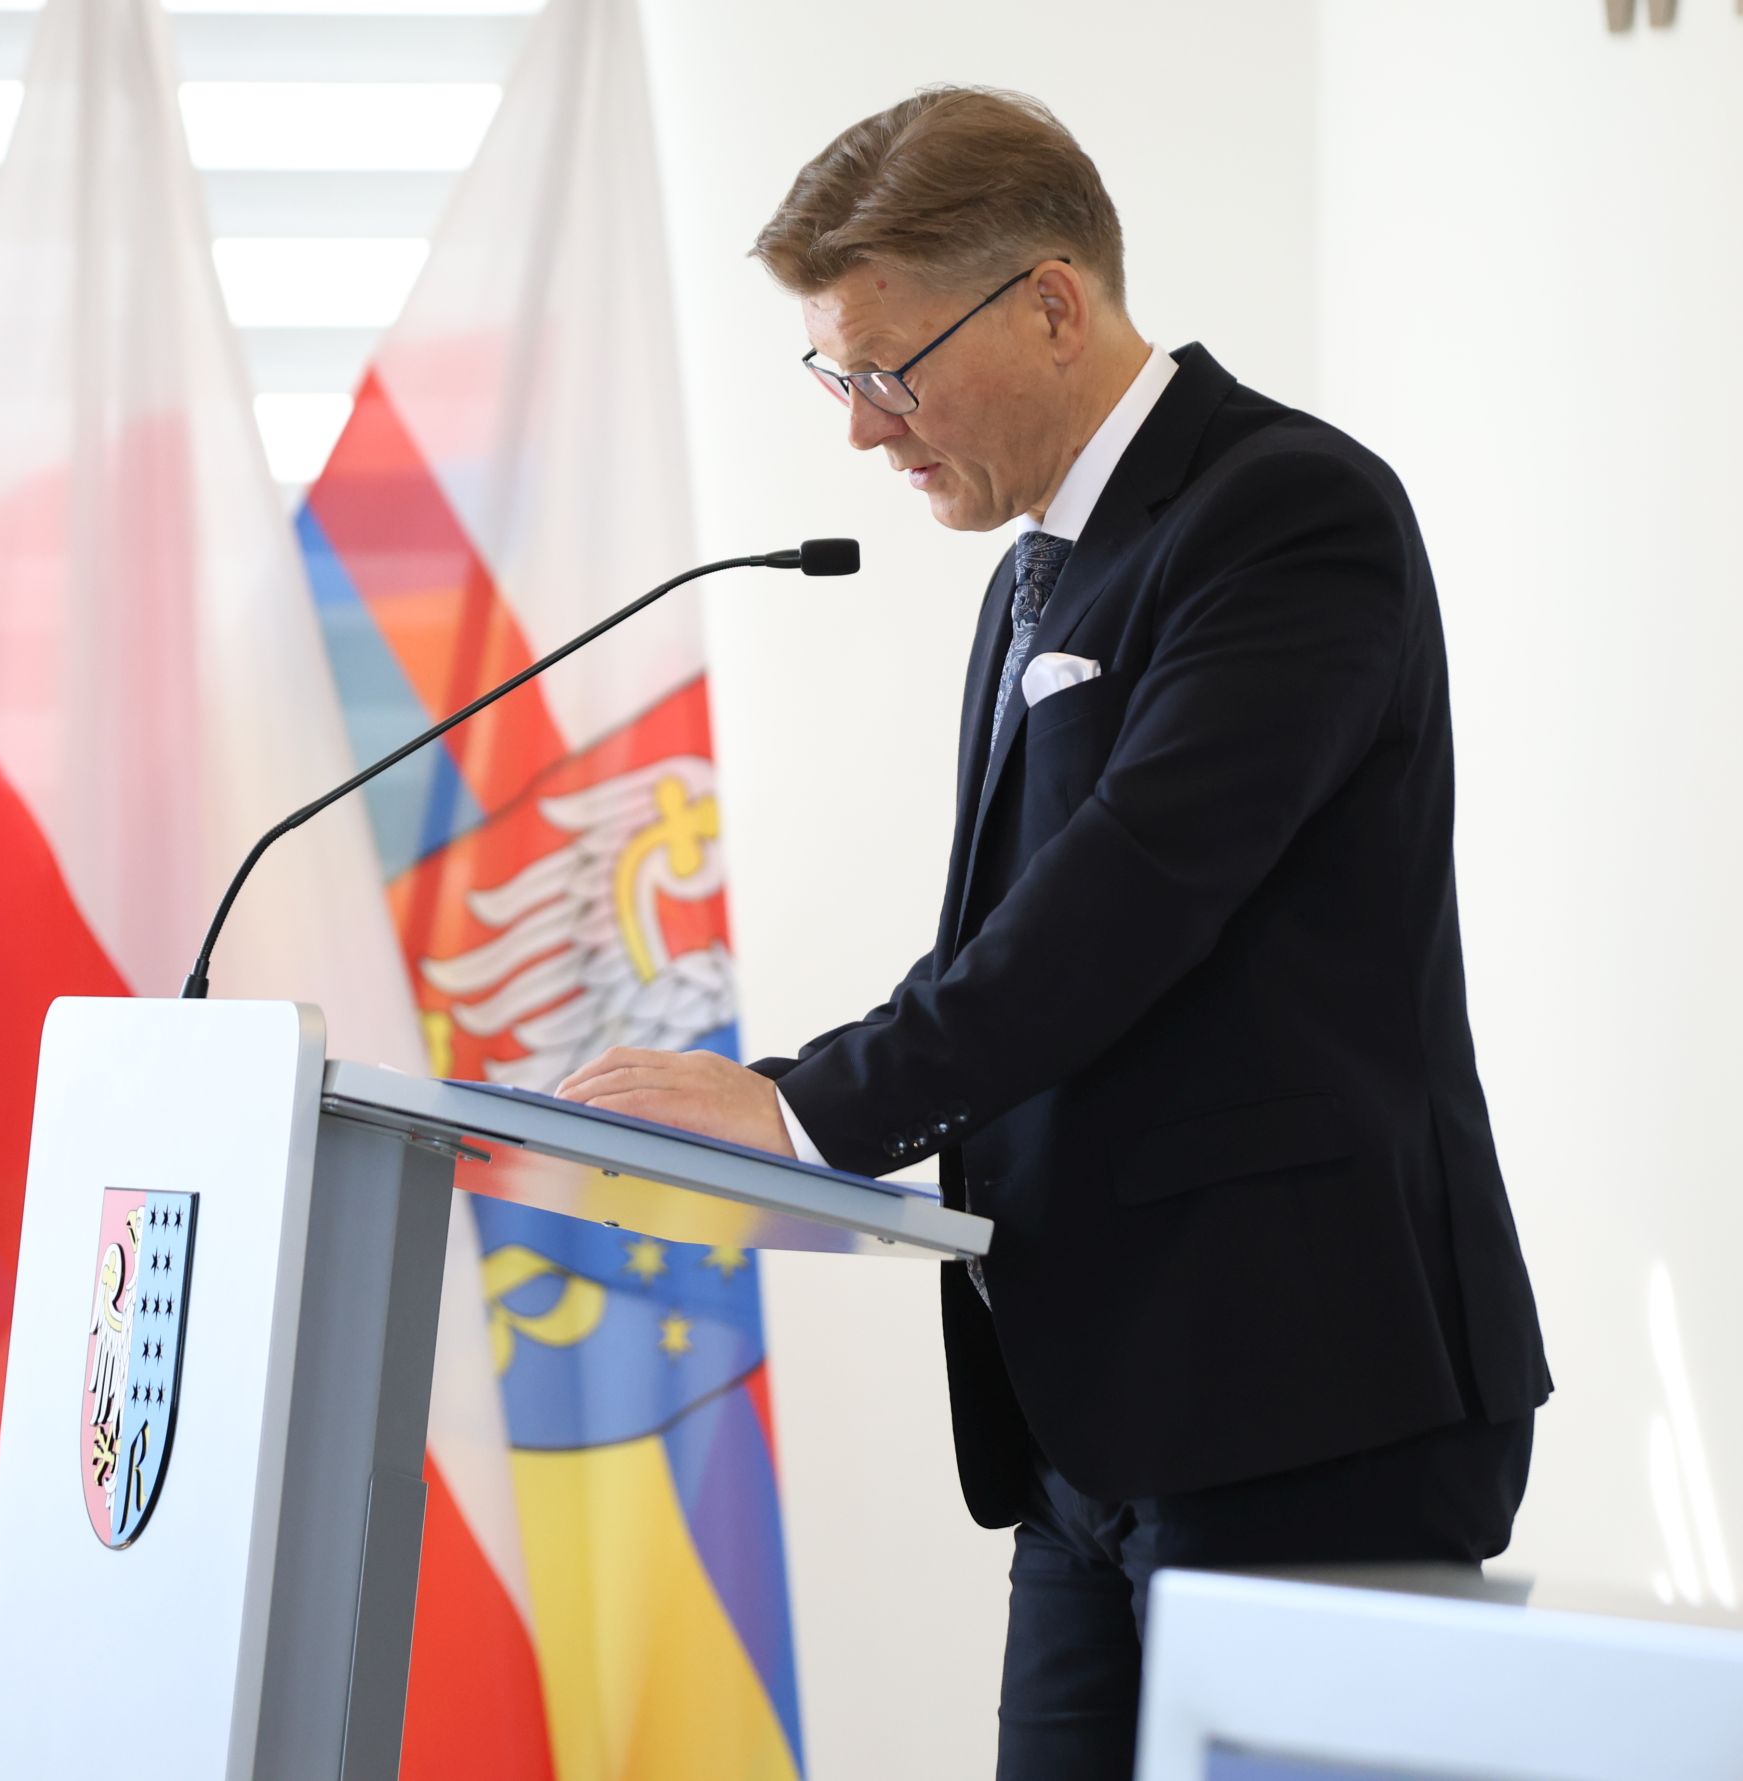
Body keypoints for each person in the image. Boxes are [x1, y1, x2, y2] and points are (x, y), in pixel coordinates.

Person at [556, 85, 1552, 1779]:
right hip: (1096, 1416)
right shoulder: (1036, 573)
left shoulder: (1290, 513)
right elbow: (1007, 944)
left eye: (887, 371)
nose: (862, 431)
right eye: (837, 377)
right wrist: (794, 1096)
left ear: (1050, 304)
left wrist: (807, 1111)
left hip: (1303, 1392)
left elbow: (1129, 894)